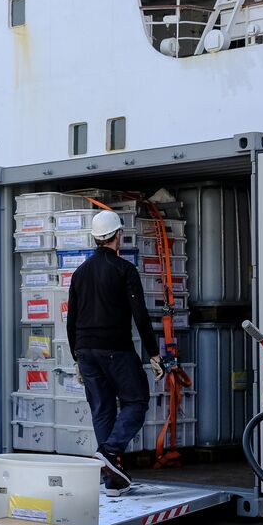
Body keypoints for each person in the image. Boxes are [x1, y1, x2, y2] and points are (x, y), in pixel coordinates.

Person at [66, 209, 163, 497]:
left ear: (96, 238)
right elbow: (140, 316)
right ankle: (108, 451)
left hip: (86, 351)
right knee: (136, 401)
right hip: (115, 349)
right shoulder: (124, 270)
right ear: (117, 235)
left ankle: (113, 482)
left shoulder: (80, 273)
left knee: (102, 410)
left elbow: (71, 319)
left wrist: (77, 358)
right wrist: (154, 354)